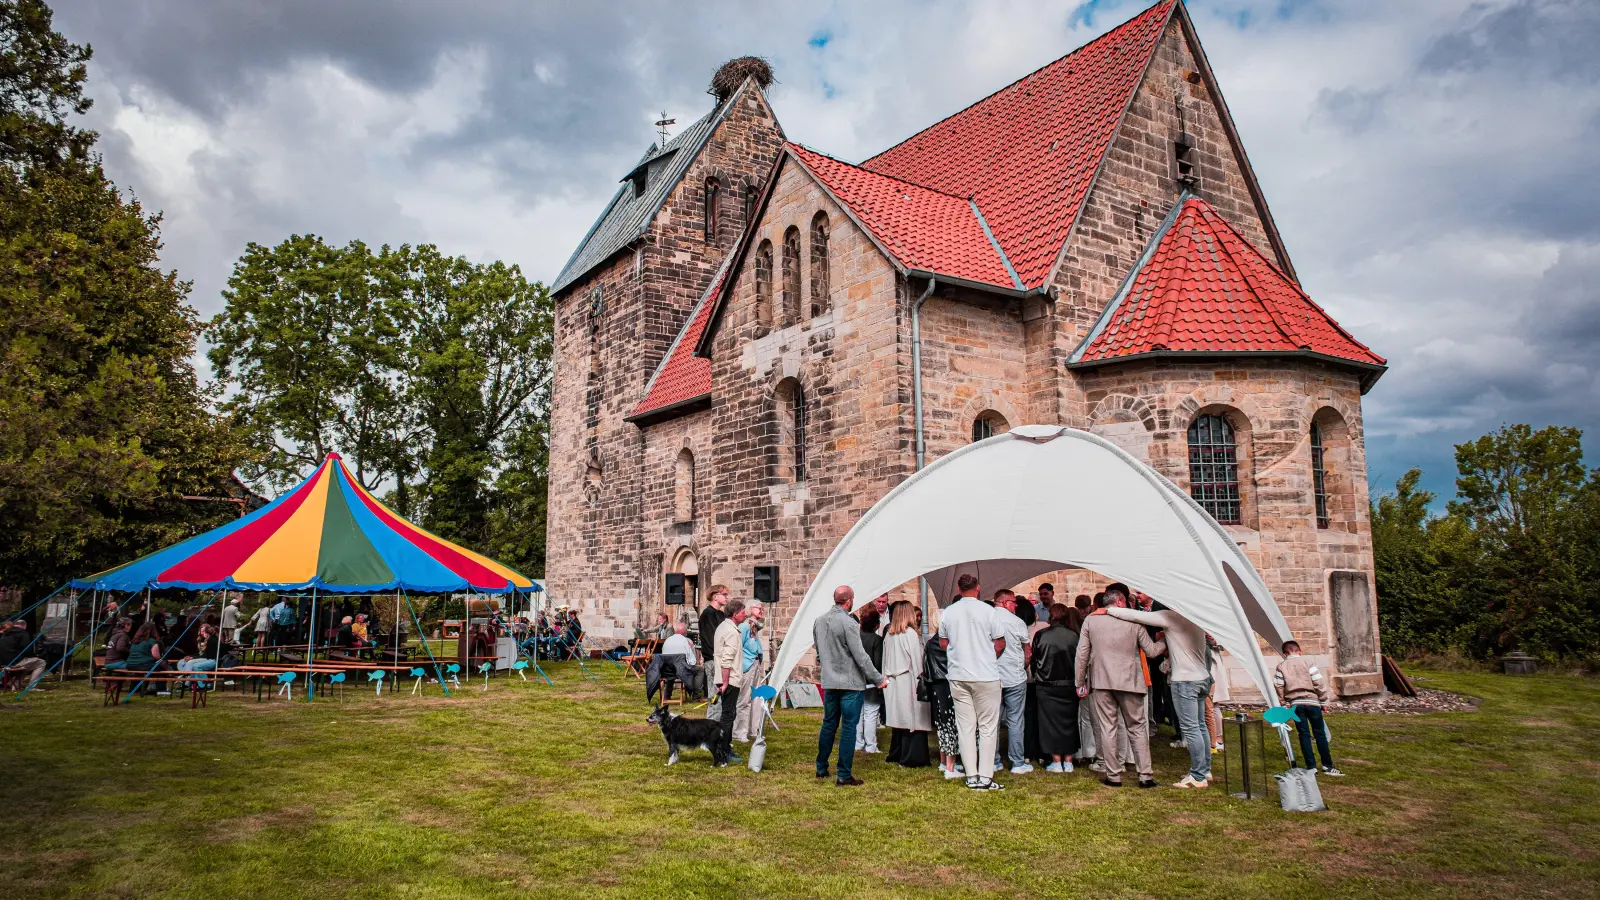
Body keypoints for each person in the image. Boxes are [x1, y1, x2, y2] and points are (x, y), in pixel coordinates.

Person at [1108, 599, 1212, 788]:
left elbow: (1136, 615)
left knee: (1191, 728)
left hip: (1185, 681)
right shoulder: (1196, 618)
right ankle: (1204, 769)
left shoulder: (1171, 616)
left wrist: (1108, 610)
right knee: (1200, 725)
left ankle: (1198, 776)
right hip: (1202, 678)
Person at [1075, 587, 1165, 788]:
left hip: (1101, 681)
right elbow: (1151, 651)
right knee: (1138, 728)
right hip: (1130, 681)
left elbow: (1082, 654)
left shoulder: (1091, 620)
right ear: (1121, 602)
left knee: (1107, 728)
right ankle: (1145, 775)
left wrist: (1080, 682)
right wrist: (1166, 642)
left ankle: (1113, 775)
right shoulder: (1133, 620)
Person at [812, 586, 886, 787]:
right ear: (849, 600)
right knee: (848, 727)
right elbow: (861, 656)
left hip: (830, 681)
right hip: (850, 683)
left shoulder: (819, 621)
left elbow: (818, 653)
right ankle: (843, 774)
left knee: (829, 724)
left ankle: (821, 767)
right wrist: (878, 679)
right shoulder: (849, 623)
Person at [940, 574, 1007, 791]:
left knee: (965, 726)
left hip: (959, 674)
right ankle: (985, 776)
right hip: (985, 674)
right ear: (978, 588)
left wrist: (959, 653)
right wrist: (987, 657)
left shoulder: (949, 612)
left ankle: (971, 775)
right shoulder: (988, 611)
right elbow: (1000, 642)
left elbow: (943, 642)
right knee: (987, 727)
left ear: (959, 590)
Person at [1275, 640, 1342, 776]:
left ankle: (1311, 767)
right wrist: (1323, 701)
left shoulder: (1281, 666)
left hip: (1295, 704)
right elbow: (1318, 682)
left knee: (1303, 734)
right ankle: (1327, 765)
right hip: (1313, 702)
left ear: (1284, 654)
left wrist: (1283, 704)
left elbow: (1279, 686)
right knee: (1320, 734)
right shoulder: (1308, 663)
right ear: (1300, 652)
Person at [1032, 603, 1081, 772]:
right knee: (1070, 722)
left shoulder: (1041, 635)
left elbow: (1034, 661)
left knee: (1049, 724)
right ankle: (1068, 761)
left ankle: (1055, 760)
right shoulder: (1074, 636)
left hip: (1047, 685)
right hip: (1069, 684)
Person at [882, 601, 932, 767]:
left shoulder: (889, 635)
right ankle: (912, 756)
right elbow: (917, 660)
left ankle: (897, 752)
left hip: (893, 680)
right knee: (912, 717)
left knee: (899, 718)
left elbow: (884, 660)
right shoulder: (910, 634)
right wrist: (921, 679)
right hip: (908, 679)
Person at [990, 590, 1033, 774]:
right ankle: (1017, 762)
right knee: (1015, 720)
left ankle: (993, 760)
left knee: (992, 721)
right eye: (1014, 602)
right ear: (1005, 602)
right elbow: (1028, 651)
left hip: (992, 676)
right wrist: (1022, 667)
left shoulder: (987, 618)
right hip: (1015, 676)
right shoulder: (1017, 622)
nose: (1016, 605)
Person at [713, 599, 750, 761]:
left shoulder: (724, 627)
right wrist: (726, 681)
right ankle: (723, 750)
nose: (745, 614)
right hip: (730, 679)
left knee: (729, 714)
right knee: (728, 716)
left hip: (725, 677)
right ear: (735, 614)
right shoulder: (732, 632)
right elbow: (726, 659)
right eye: (743, 612)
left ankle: (725, 747)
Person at [923, 625, 961, 779]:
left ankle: (944, 761)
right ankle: (951, 766)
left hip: (935, 686)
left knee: (942, 725)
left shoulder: (930, 642)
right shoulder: (949, 642)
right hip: (948, 684)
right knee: (951, 725)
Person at [732, 605, 766, 743]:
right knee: (744, 699)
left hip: (756, 663)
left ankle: (754, 730)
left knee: (756, 698)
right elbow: (738, 646)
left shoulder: (755, 627)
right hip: (748, 665)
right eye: (758, 607)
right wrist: (743, 665)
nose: (761, 610)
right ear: (750, 609)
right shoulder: (745, 627)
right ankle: (739, 732)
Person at [855, 606, 885, 753]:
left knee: (858, 714)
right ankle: (871, 745)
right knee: (871, 713)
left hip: (856, 680)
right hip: (871, 682)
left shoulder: (855, 638)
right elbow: (878, 663)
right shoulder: (877, 640)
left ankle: (858, 742)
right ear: (876, 624)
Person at [0, 619, 47, 688]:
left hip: (3, 663)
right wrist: (35, 655)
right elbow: (27, 650)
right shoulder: (22, 633)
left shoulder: (6, 633)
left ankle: (15, 684)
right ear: (24, 626)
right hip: (14, 662)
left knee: (26, 663)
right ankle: (31, 687)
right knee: (41, 662)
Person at [698, 585, 729, 671]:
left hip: (721, 657)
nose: (727, 597)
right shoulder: (708, 614)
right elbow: (712, 637)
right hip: (713, 658)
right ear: (715, 596)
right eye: (724, 594)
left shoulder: (721, 614)